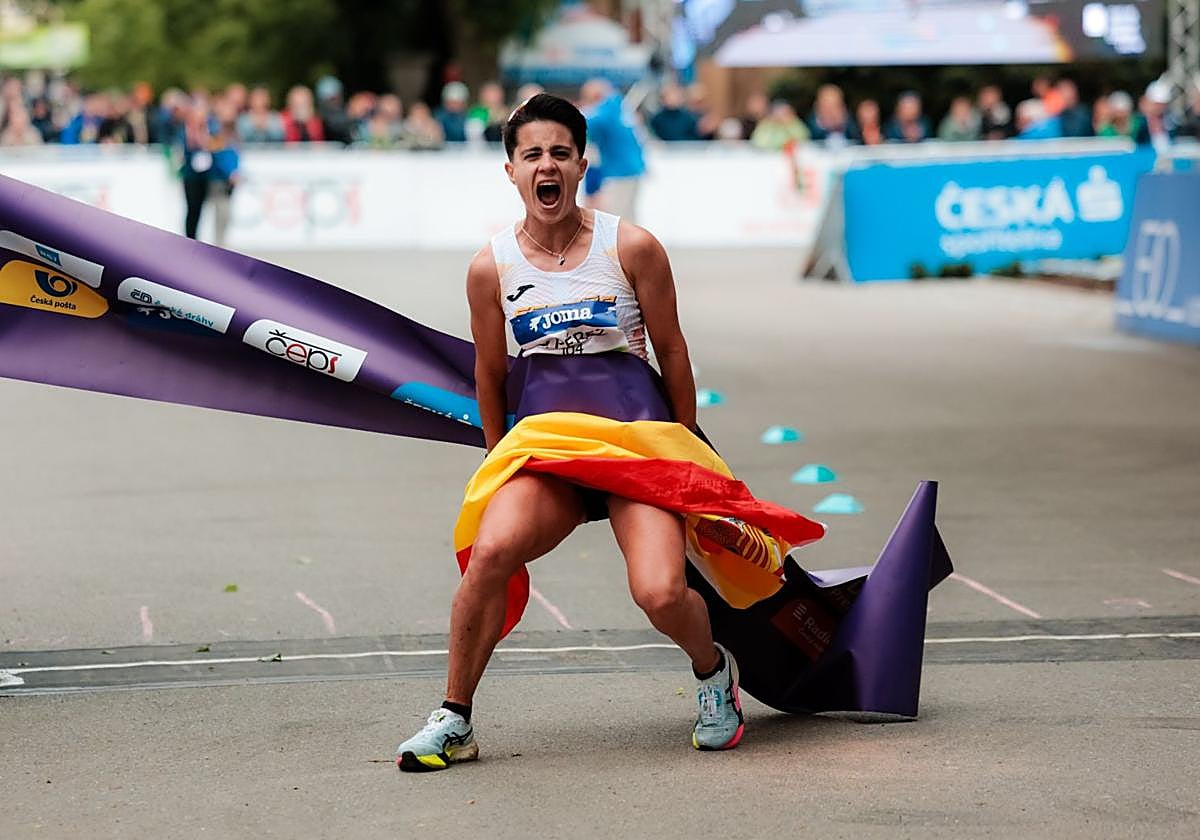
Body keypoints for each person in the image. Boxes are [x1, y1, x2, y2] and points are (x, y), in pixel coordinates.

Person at [394, 93, 743, 772]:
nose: (546, 165)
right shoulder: (490, 267)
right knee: (490, 552)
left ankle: (712, 673)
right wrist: (500, 459)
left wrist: (687, 447)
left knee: (660, 592)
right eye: (532, 155)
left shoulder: (631, 246)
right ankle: (454, 719)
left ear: (582, 164)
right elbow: (489, 375)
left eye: (560, 152)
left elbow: (672, 352)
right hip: (548, 451)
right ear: (511, 171)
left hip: (636, 445)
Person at [579, 78, 646, 222]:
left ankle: (627, 245)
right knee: (628, 216)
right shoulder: (620, 108)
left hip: (619, 172)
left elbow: (583, 125)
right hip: (632, 168)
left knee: (618, 220)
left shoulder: (605, 111)